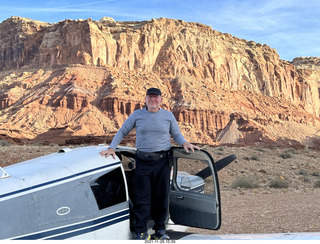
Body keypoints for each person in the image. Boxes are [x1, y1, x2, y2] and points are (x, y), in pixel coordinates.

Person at [100, 87, 200, 240]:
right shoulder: (137, 115)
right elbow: (123, 131)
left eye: (156, 97)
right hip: (142, 162)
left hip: (162, 162)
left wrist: (184, 143)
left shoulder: (168, 116)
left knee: (162, 197)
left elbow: (176, 134)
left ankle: (160, 230)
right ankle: (141, 231)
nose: (153, 100)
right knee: (142, 197)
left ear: (161, 99)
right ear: (145, 99)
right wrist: (112, 147)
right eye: (150, 97)